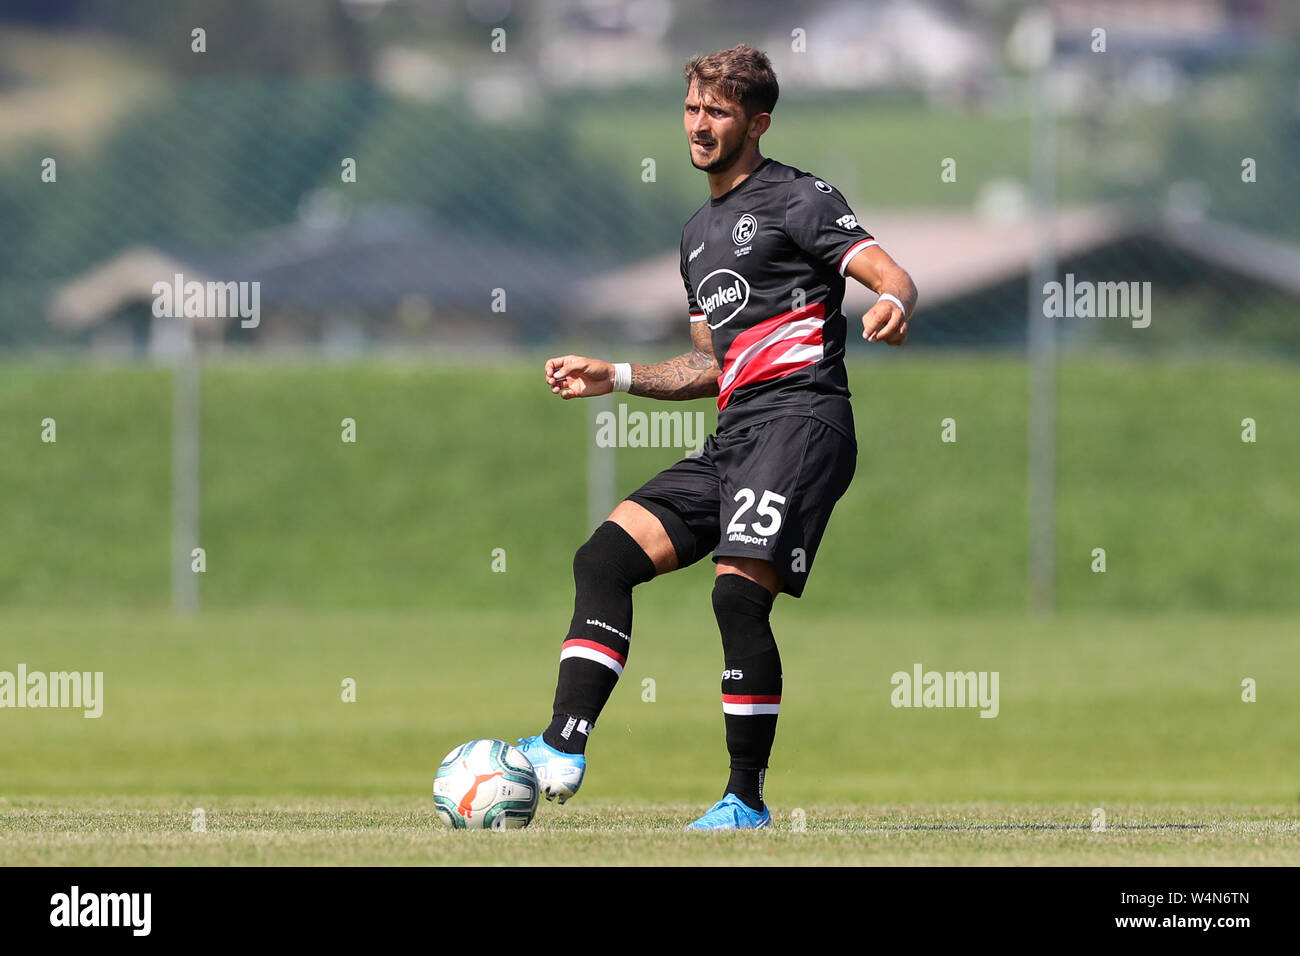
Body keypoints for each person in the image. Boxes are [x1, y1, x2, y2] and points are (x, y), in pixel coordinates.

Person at [518, 44, 918, 830]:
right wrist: (620, 376)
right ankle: (562, 749)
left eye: (719, 112)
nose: (700, 126)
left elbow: (887, 273)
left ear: (758, 122)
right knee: (603, 558)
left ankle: (745, 799)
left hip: (802, 420)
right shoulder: (696, 236)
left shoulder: (800, 198)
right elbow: (712, 364)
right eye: (693, 109)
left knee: (737, 595)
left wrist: (896, 303)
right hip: (736, 432)